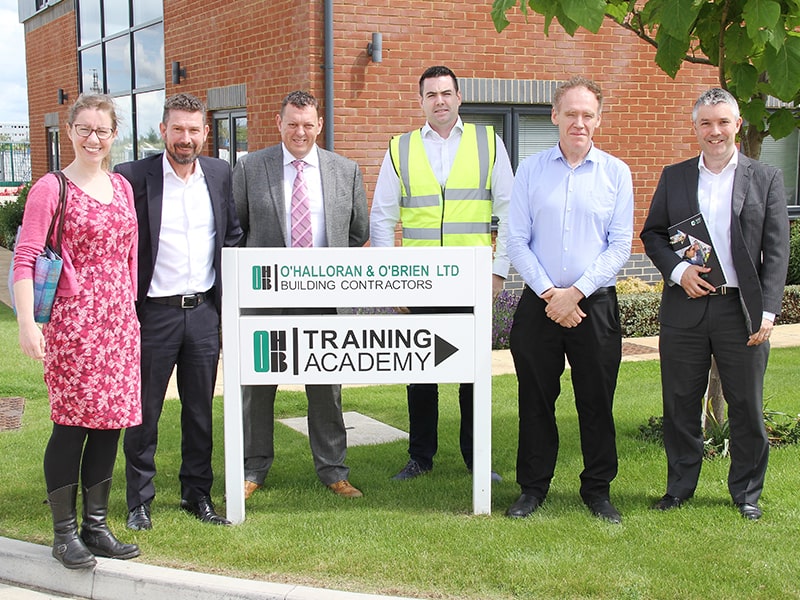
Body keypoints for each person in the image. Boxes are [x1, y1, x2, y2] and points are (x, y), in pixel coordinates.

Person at [640, 88, 789, 520]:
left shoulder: (766, 178)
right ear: (695, 128)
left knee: (746, 405)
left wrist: (768, 311)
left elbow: (777, 251)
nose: (715, 131)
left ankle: (746, 494)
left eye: (723, 122)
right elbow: (653, 234)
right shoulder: (676, 176)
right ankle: (680, 488)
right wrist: (677, 271)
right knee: (680, 403)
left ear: (737, 125)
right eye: (706, 123)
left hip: (740, 311)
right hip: (685, 307)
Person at [12, 93, 141, 568]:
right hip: (73, 324)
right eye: (84, 129)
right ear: (69, 131)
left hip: (118, 324)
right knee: (72, 426)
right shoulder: (52, 188)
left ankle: (97, 525)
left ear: (113, 135)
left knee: (111, 425)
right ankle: (64, 533)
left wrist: (128, 307)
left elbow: (129, 252)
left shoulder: (122, 186)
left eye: (102, 131)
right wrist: (28, 322)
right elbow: (25, 257)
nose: (93, 138)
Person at [370, 65, 512, 481]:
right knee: (420, 371)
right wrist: (389, 280)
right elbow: (382, 219)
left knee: (473, 376)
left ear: (459, 97)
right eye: (431, 95)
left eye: (446, 93)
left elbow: (509, 212)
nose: (440, 101)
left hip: (471, 281)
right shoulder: (400, 148)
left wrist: (498, 272)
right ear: (421, 101)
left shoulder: (488, 142)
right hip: (418, 282)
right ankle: (420, 457)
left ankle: (476, 460)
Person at [505, 76, 633, 523]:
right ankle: (532, 489)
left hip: (593, 306)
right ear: (555, 115)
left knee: (596, 401)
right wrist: (549, 293)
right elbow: (516, 240)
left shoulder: (616, 173)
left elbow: (619, 246)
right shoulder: (530, 170)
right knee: (535, 399)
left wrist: (575, 293)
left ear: (599, 119)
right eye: (571, 113)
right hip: (539, 302)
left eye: (588, 114)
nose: (579, 122)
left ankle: (597, 491)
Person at [116, 93, 244, 529]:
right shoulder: (132, 176)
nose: (186, 138)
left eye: (194, 130)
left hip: (204, 312)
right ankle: (139, 501)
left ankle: (197, 495)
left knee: (199, 412)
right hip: (153, 315)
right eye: (178, 129)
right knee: (144, 412)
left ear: (205, 133)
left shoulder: (219, 173)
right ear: (163, 130)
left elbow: (232, 235)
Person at [233, 90, 368, 499]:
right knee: (257, 388)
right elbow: (237, 230)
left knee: (326, 389)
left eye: (308, 124)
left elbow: (357, 231)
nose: (300, 131)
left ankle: (333, 471)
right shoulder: (250, 167)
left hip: (326, 300)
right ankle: (252, 470)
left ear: (319, 125)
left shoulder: (345, 170)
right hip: (266, 300)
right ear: (279, 123)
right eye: (292, 123)